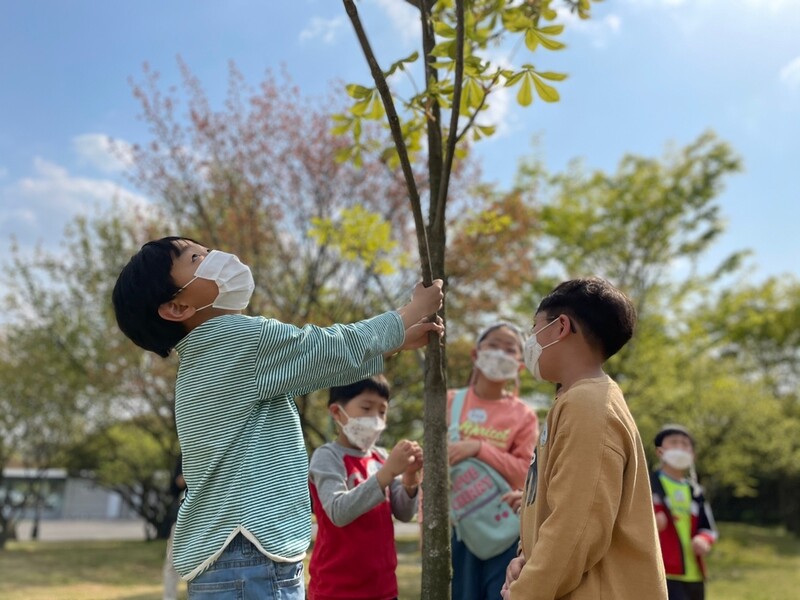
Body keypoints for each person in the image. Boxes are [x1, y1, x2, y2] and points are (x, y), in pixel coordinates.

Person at [111, 237, 444, 598]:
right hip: (251, 553)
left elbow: (312, 366)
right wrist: (408, 313)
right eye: (196, 258)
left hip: (223, 560)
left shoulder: (200, 361)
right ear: (177, 307)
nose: (215, 257)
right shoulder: (235, 339)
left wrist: (393, 342)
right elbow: (325, 347)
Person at [502, 277, 667, 600]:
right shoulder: (573, 401)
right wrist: (527, 558)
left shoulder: (589, 405)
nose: (531, 339)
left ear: (560, 327)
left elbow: (576, 527)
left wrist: (527, 592)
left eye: (535, 327)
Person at [307, 375, 422, 600]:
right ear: (337, 412)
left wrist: (410, 475)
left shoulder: (381, 457)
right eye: (367, 407)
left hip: (384, 588)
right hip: (336, 590)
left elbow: (405, 513)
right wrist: (387, 473)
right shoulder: (326, 457)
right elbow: (338, 512)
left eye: (382, 411)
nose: (375, 419)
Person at [448, 322, 539, 600]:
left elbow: (525, 473)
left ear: (520, 365)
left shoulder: (524, 415)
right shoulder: (449, 401)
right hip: (457, 530)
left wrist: (478, 448)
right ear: (476, 354)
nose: (500, 354)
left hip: (505, 530)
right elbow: (432, 468)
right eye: (493, 346)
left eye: (510, 349)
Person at [652, 424, 718, 600]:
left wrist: (704, 540)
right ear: (659, 452)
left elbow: (708, 528)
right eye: (673, 442)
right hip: (661, 573)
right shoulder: (648, 485)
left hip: (694, 575)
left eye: (685, 444)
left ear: (693, 455)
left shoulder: (696, 492)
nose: (680, 447)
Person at [163, 456, 186, 600]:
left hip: (205, 518)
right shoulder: (183, 457)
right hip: (180, 517)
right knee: (171, 562)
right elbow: (175, 485)